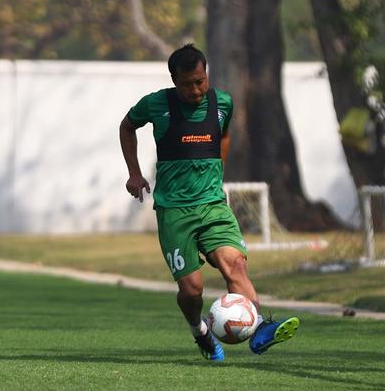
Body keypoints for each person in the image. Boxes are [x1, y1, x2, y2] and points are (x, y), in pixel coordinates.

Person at [119, 43, 299, 362]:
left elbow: (224, 135)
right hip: (175, 210)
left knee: (236, 264)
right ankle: (199, 330)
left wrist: (218, 169)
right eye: (187, 83)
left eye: (200, 80)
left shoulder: (222, 103)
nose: (196, 89)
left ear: (206, 74)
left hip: (213, 204)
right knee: (192, 290)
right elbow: (127, 125)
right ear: (174, 80)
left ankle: (259, 330)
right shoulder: (156, 104)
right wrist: (134, 173)